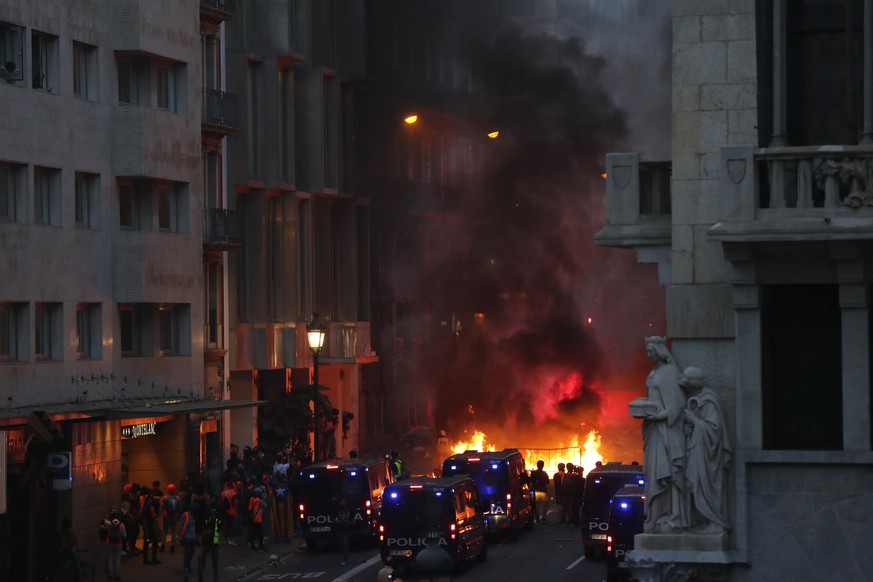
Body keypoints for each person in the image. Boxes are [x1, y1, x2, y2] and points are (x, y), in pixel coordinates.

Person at [641, 336, 688, 533]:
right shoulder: (654, 373)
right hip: (655, 433)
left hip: (667, 434)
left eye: (651, 351)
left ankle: (673, 515)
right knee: (654, 474)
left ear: (659, 351)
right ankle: (656, 515)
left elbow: (676, 408)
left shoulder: (668, 373)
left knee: (668, 473)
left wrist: (655, 417)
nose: (648, 354)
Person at [680, 366, 732, 534]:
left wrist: (694, 421)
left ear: (695, 382)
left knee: (705, 486)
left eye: (687, 380)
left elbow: (714, 430)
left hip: (710, 457)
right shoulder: (697, 398)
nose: (685, 383)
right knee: (693, 484)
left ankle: (715, 521)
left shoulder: (709, 400)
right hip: (698, 450)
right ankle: (704, 519)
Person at [54, 516, 82, 582]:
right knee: (77, 568)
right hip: (70, 551)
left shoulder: (61, 532)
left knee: (61, 570)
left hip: (62, 552)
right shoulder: (71, 532)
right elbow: (74, 542)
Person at [199, 507, 222, 582]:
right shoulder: (207, 521)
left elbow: (219, 530)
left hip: (214, 540)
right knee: (204, 553)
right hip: (207, 540)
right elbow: (204, 529)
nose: (213, 516)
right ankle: (203, 565)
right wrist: (206, 532)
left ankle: (214, 565)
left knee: (214, 554)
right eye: (212, 514)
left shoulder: (217, 521)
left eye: (214, 514)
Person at [140, 486, 161, 564]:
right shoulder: (147, 508)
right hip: (148, 528)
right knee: (150, 543)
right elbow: (145, 520)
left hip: (149, 528)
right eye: (149, 500)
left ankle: (149, 559)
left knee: (150, 543)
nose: (150, 501)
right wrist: (146, 530)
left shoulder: (149, 507)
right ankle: (149, 559)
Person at [104, 511, 126, 581]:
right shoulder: (121, 525)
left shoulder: (109, 523)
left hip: (110, 543)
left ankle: (110, 575)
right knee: (117, 559)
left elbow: (105, 520)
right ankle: (117, 575)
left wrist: (108, 515)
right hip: (118, 544)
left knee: (110, 559)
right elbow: (124, 535)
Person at [179, 501, 197, 575]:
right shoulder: (185, 515)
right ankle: (186, 567)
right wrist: (181, 536)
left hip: (192, 536)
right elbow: (181, 525)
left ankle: (187, 566)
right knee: (187, 552)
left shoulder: (194, 515)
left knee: (191, 552)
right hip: (187, 536)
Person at [162, 483, 181, 553]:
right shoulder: (177, 498)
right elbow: (179, 508)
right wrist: (178, 516)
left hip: (166, 515)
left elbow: (162, 507)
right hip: (174, 516)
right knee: (173, 532)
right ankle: (173, 547)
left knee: (164, 531)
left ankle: (163, 546)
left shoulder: (165, 498)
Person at [219, 478, 239, 545]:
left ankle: (225, 540)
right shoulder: (233, 493)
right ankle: (231, 540)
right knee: (232, 526)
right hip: (232, 511)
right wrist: (237, 510)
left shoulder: (222, 493)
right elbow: (235, 503)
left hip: (224, 511)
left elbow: (221, 502)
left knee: (226, 526)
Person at [334, 494, 353, 566]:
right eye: (342, 502)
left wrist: (351, 523)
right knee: (341, 544)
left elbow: (353, 517)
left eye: (344, 502)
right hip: (340, 529)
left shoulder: (349, 509)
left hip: (347, 529)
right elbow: (334, 518)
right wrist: (337, 521)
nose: (343, 503)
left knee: (345, 544)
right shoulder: (337, 509)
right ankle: (343, 557)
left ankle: (345, 559)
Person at [248, 487, 268, 551]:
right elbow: (266, 506)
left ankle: (253, 545)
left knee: (253, 533)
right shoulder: (259, 501)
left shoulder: (251, 499)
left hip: (252, 519)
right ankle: (261, 546)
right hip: (258, 520)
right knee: (260, 534)